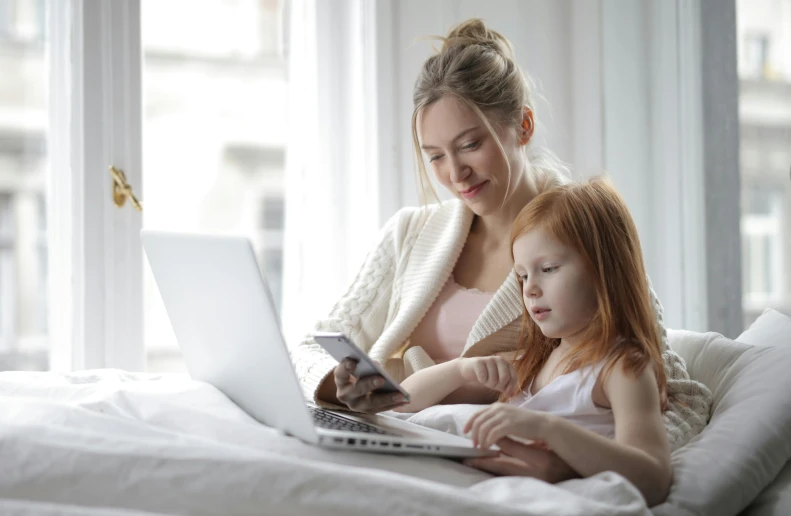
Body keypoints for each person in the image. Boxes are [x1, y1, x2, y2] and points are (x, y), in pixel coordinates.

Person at [290, 18, 711, 481]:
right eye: (435, 156)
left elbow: (679, 397)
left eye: (470, 145)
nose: (455, 174)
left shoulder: (582, 238)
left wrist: (572, 461)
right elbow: (310, 349)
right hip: (393, 436)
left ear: (523, 126)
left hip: (484, 466)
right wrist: (341, 385)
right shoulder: (410, 233)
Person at [394, 177, 672, 506]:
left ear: (605, 270)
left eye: (549, 268)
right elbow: (403, 402)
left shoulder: (622, 368)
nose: (530, 289)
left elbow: (653, 477)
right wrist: (462, 368)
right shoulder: (534, 361)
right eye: (522, 275)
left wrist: (546, 427)